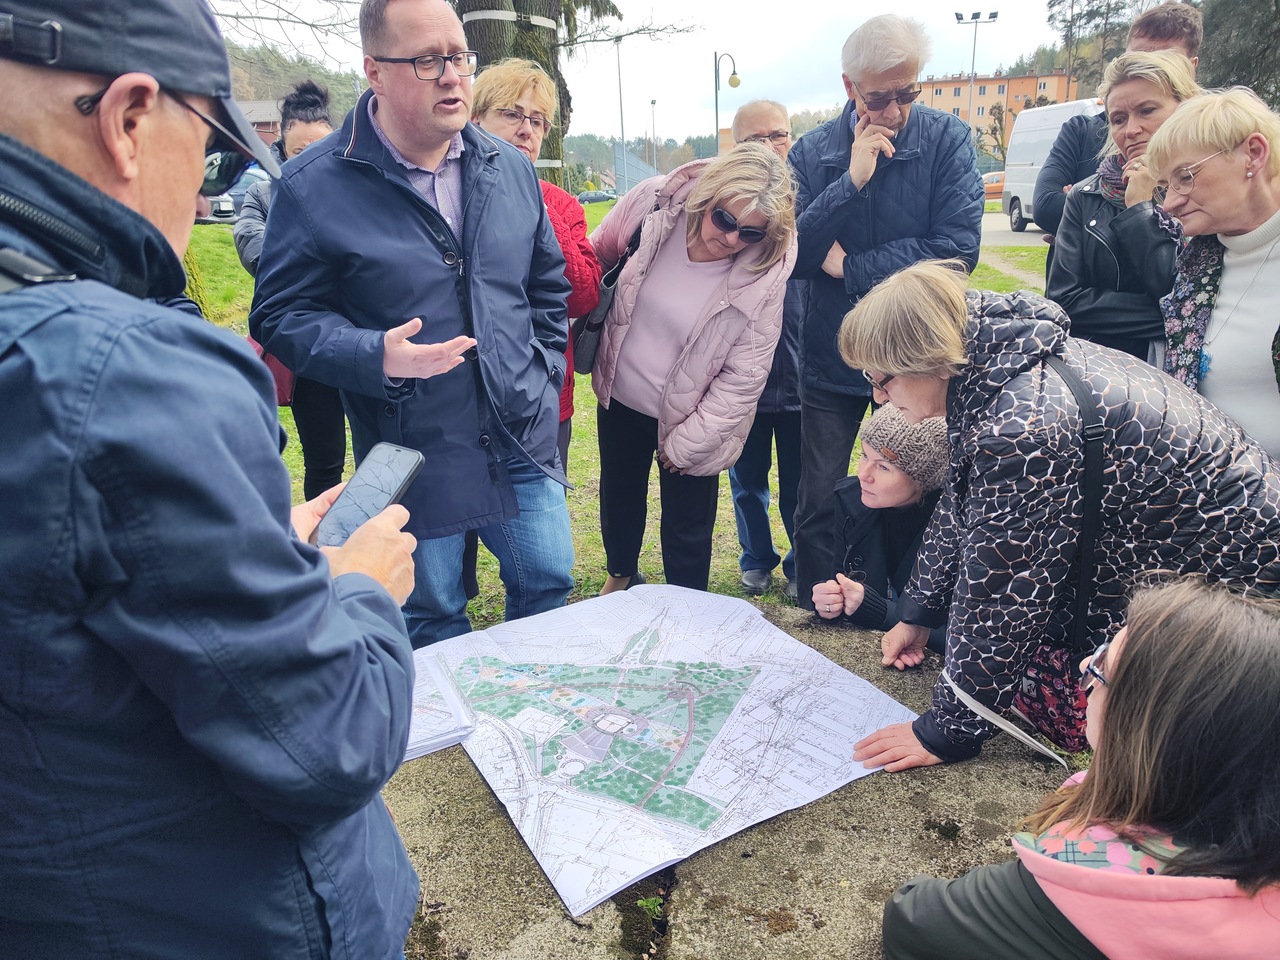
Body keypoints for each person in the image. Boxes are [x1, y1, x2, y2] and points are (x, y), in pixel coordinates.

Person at [0, 1, 444, 955]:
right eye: (204, 146)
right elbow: (332, 743)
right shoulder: (124, 369)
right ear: (128, 118)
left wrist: (249, 537)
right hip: (209, 912)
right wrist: (361, 589)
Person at [837, 260, 1280, 772]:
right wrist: (918, 611)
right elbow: (963, 502)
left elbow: (1004, 589)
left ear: (930, 359)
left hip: (1234, 583)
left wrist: (946, 731)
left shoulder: (1021, 427)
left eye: (882, 378)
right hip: (1181, 548)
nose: (878, 396)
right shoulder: (991, 364)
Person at [250, 0, 575, 647]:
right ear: (374, 70)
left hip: (517, 430)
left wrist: (538, 369)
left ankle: (534, 718)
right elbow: (280, 314)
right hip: (409, 445)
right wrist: (374, 354)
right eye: (428, 60)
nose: (453, 75)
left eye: (459, 57)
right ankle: (440, 733)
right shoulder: (313, 185)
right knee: (430, 608)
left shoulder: (507, 168)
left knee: (549, 581)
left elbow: (546, 287)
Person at [882, 579, 1280, 960]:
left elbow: (916, 917)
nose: (1088, 664)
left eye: (1106, 664)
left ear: (1150, 728)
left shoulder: (1075, 891)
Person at [788, 14, 983, 612]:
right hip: (830, 355)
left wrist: (851, 268)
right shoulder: (813, 151)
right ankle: (818, 597)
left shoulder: (946, 138)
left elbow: (955, 251)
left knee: (922, 485)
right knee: (818, 489)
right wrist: (849, 181)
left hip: (917, 362)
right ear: (850, 87)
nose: (896, 108)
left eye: (908, 92)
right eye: (880, 96)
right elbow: (792, 253)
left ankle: (910, 602)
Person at [590, 144, 797, 594]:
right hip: (621, 396)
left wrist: (689, 443)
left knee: (688, 526)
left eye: (751, 233)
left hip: (691, 418)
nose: (732, 239)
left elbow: (745, 375)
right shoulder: (653, 205)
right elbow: (598, 254)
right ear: (708, 196)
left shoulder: (764, 274)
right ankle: (620, 575)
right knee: (619, 497)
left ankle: (686, 609)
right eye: (725, 220)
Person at [470, 57, 601, 473]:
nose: (527, 130)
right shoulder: (449, 199)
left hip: (542, 396)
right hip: (461, 397)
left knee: (540, 525)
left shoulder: (560, 204)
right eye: (511, 114)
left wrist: (535, 203)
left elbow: (583, 296)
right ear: (474, 120)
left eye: (539, 121)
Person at [1149, 87, 1280, 460]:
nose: (1171, 203)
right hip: (1212, 504)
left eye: (1185, 177)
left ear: (1252, 154)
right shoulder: (1195, 263)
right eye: (1164, 188)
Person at [233, 79, 347, 500]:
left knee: (384, 451)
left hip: (367, 338)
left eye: (321, 149)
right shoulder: (263, 197)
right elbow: (257, 254)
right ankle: (322, 543)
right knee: (325, 459)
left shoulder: (357, 195)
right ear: (280, 149)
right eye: (301, 152)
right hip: (309, 349)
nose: (312, 161)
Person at [1046, 51, 1198, 359]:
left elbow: (1188, 291)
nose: (1130, 130)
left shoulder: (1209, 192)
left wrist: (1140, 208)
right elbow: (1065, 301)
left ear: (1185, 109)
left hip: (1188, 369)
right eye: (1118, 119)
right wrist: (1173, 315)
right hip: (1103, 372)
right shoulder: (1085, 197)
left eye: (1147, 110)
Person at [1033, 1, 1202, 262]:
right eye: (1136, 57)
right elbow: (1045, 209)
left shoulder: (1215, 154)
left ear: (1190, 69)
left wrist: (1090, 223)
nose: (1131, 130)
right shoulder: (1083, 130)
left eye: (1164, 60)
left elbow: (1183, 285)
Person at [728, 100, 803, 599]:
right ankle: (757, 557)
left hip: (802, 380)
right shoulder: (725, 217)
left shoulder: (806, 204)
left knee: (804, 487)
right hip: (743, 386)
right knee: (746, 481)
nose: (769, 148)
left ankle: (804, 561)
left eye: (777, 136)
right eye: (755, 140)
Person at [811, 404, 947, 655]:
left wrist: (879, 611)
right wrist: (829, 600)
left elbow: (960, 635)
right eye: (864, 455)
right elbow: (840, 576)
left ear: (922, 477)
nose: (863, 474)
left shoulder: (953, 526)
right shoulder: (852, 500)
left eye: (883, 467)